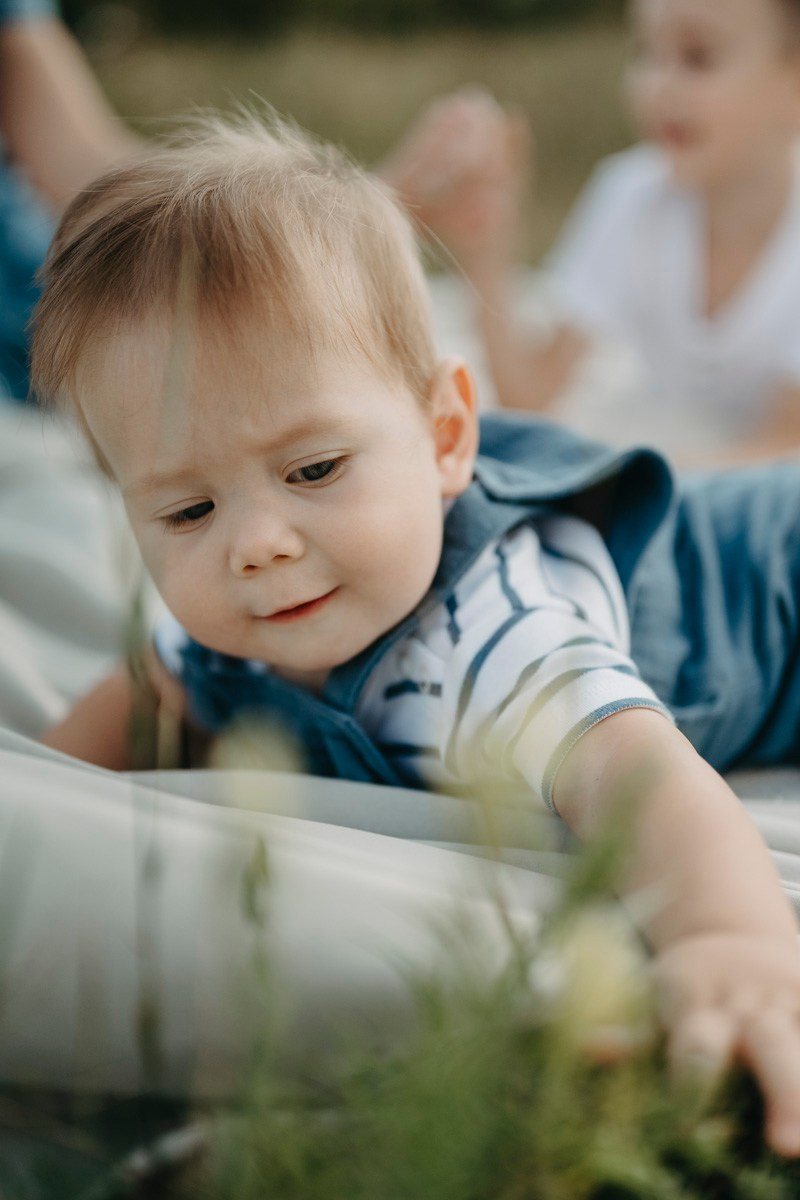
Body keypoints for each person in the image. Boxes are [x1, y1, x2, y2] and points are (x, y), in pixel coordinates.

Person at [29, 111, 800, 1157]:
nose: (255, 543)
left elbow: (642, 778)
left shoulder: (489, 638)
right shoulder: (221, 615)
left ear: (443, 436)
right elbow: (145, 694)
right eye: (186, 511)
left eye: (313, 471)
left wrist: (729, 942)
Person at [406, 0, 800, 465]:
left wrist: (623, 479)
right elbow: (532, 400)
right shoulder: (631, 194)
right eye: (645, 54)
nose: (657, 85)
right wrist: (487, 250)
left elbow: (784, 448)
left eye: (697, 56)